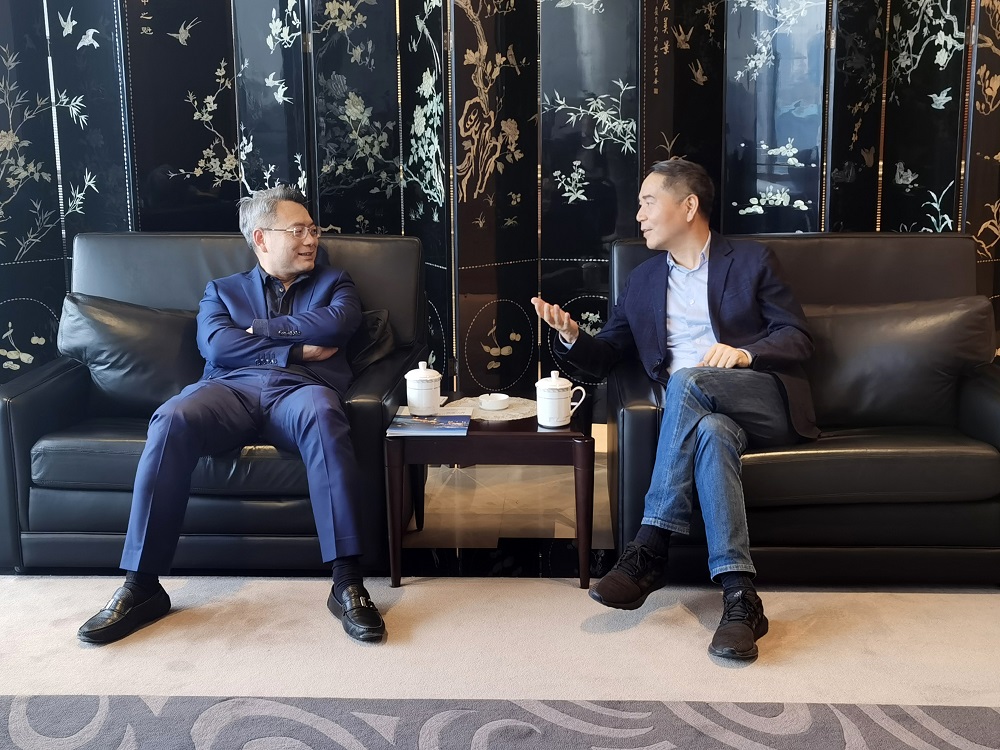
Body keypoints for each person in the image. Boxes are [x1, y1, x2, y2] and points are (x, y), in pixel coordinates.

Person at [532, 159, 818, 660]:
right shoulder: (643, 280)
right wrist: (572, 335)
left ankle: (649, 546)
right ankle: (741, 598)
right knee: (711, 433)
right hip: (704, 415)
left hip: (760, 397)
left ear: (688, 206)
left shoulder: (752, 260)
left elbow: (798, 337)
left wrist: (745, 353)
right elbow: (607, 355)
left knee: (686, 380)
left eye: (648, 201)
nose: (638, 214)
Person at [78, 185, 386, 645]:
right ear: (261, 238)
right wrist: (295, 349)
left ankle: (347, 582)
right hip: (229, 389)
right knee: (171, 417)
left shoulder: (335, 282)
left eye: (313, 229)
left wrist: (258, 330)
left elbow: (337, 323)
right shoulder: (221, 290)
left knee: (325, 413)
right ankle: (141, 586)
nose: (311, 239)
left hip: (303, 390)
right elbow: (218, 346)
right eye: (298, 230)